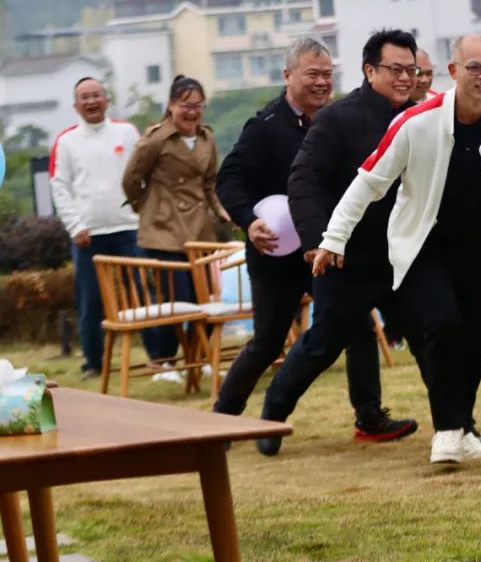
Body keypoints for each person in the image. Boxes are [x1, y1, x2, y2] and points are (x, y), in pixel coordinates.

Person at [315, 34, 481, 464]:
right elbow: (369, 181)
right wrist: (333, 239)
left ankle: (463, 426)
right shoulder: (416, 121)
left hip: (476, 246)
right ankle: (447, 432)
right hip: (423, 247)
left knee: (476, 343)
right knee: (440, 324)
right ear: (453, 72)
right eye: (474, 67)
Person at [254, 29, 419, 456]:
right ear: (370, 70)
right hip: (345, 256)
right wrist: (318, 240)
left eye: (411, 70)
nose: (405, 78)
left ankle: (457, 427)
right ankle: (272, 414)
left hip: (401, 256)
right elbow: (303, 181)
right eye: (395, 69)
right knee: (323, 343)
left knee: (432, 333)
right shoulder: (338, 118)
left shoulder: (421, 118)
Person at [212, 38, 333, 417]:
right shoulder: (264, 126)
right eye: (312, 74)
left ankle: (370, 416)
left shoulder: (334, 121)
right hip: (274, 252)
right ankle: (222, 419)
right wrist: (249, 222)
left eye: (327, 75)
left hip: (322, 248)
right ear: (288, 75)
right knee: (267, 343)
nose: (321, 82)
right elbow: (228, 180)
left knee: (354, 327)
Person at [122, 75, 229, 364]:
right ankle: (163, 359)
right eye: (185, 105)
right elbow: (132, 178)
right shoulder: (156, 139)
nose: (192, 111)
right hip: (163, 231)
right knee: (170, 301)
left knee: (205, 298)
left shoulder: (207, 137)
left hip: (200, 229)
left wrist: (220, 211)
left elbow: (210, 183)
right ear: (171, 105)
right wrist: (145, 207)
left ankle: (200, 356)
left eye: (198, 105)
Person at [49, 77, 142, 379]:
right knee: (90, 301)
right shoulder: (67, 141)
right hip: (87, 234)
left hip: (128, 228)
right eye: (84, 98)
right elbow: (60, 187)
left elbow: (142, 175)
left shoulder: (126, 133)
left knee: (140, 295)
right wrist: (75, 225)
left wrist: (141, 215)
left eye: (96, 96)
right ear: (76, 105)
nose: (91, 102)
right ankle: (93, 362)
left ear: (107, 99)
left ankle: (162, 359)